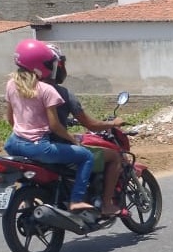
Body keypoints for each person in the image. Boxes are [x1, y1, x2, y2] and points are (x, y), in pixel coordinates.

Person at [3, 39, 96, 213]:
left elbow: (10, 119)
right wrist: (73, 140)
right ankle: (76, 200)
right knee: (86, 156)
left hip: (13, 144)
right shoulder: (47, 90)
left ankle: (28, 198)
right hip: (39, 147)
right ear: (39, 66)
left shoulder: (10, 85)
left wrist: (24, 129)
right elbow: (55, 126)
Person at [44, 45, 127, 217]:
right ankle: (106, 204)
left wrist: (65, 121)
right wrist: (113, 123)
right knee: (114, 157)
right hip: (57, 148)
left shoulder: (26, 91)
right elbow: (92, 125)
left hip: (32, 145)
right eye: (62, 64)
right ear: (56, 66)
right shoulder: (62, 94)